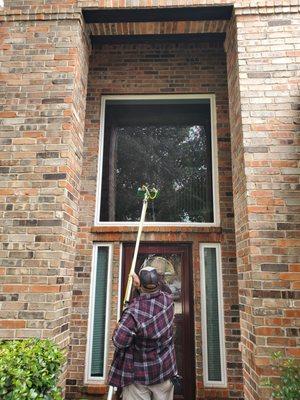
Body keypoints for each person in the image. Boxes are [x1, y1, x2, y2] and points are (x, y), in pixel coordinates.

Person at [107, 266, 177, 400]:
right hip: (165, 371)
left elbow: (119, 341)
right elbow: (156, 293)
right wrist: (140, 287)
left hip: (139, 376)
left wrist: (119, 327)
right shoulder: (168, 301)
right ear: (158, 283)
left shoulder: (133, 313)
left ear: (140, 284)